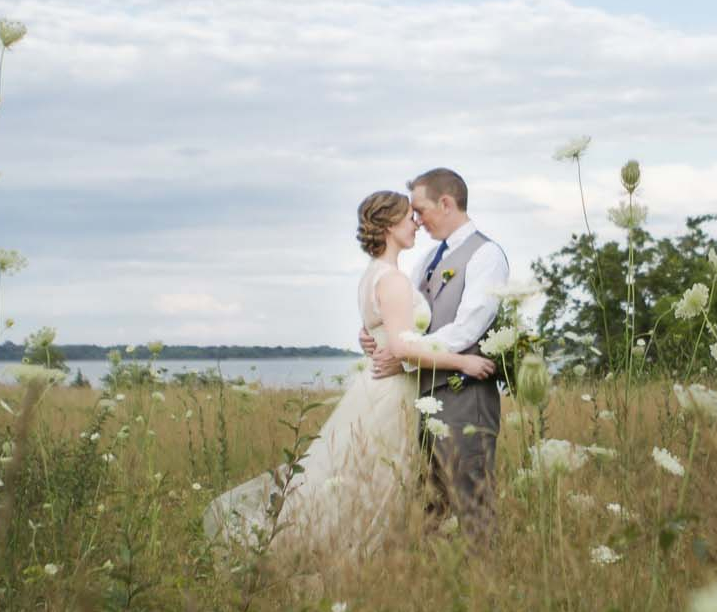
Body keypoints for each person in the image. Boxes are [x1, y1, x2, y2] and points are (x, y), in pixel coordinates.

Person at [202, 189, 494, 557]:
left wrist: (374, 340)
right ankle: (346, 557)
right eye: (408, 218)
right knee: (377, 482)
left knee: (361, 478)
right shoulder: (393, 280)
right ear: (389, 225)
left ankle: (366, 557)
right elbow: (403, 348)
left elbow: (385, 334)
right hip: (392, 392)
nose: (415, 224)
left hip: (378, 386)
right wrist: (464, 362)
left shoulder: (373, 276)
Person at [363, 167, 508, 534]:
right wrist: (378, 338)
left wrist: (403, 354)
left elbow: (467, 328)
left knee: (472, 502)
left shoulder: (486, 255)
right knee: (430, 508)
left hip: (464, 398)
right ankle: (436, 585)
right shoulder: (428, 260)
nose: (417, 219)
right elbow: (403, 320)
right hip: (421, 399)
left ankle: (482, 584)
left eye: (420, 210)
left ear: (445, 203)